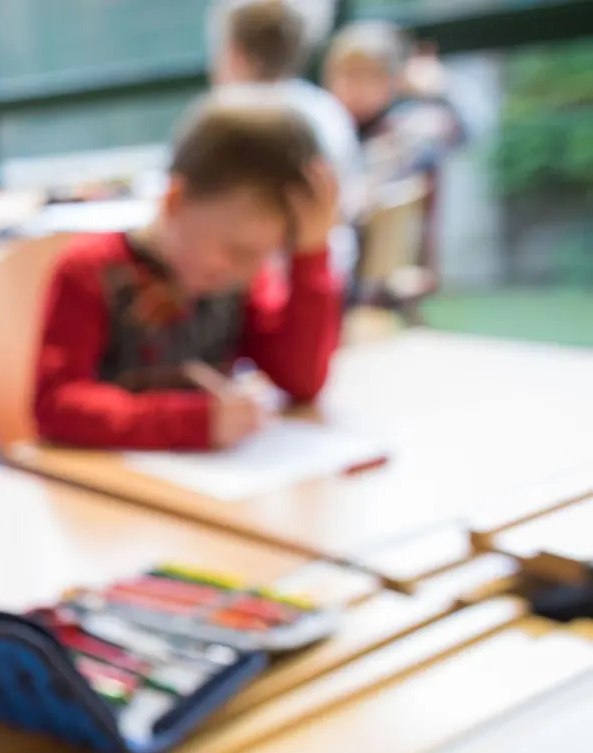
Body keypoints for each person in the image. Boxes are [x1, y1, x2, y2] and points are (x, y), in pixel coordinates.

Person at [30, 96, 342, 451]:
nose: (250, 270)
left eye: (267, 256)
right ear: (175, 201)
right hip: (102, 487)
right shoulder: (90, 271)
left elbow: (302, 381)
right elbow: (55, 406)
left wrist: (311, 257)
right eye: (237, 251)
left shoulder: (242, 281)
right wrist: (194, 422)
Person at [208, 0, 362, 276]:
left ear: (236, 53)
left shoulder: (235, 119)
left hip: (281, 278)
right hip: (336, 267)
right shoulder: (324, 108)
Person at [325, 21, 468, 304]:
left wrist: (441, 87)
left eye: (370, 76)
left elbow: (465, 126)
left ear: (394, 81)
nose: (356, 88)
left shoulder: (406, 130)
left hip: (382, 278)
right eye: (347, 75)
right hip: (336, 269)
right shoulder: (325, 130)